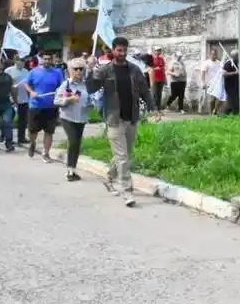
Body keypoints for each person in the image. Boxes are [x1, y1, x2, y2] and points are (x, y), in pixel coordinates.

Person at [86, 36, 157, 207]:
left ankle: (110, 177)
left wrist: (153, 107)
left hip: (131, 117)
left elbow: (144, 90)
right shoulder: (105, 70)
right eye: (119, 50)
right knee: (123, 158)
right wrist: (89, 69)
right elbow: (91, 88)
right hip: (114, 119)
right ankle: (128, 192)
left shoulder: (134, 70)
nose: (122, 53)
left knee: (125, 155)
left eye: (125, 50)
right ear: (113, 50)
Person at [55, 58, 94, 182]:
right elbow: (56, 100)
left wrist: (90, 105)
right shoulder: (66, 84)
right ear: (70, 70)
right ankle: (69, 171)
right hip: (67, 117)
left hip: (81, 117)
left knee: (77, 143)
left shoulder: (86, 85)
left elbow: (90, 100)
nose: (78, 71)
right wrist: (68, 99)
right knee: (72, 141)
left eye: (81, 69)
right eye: (75, 69)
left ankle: (73, 169)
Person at [24, 52, 64, 162]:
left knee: (49, 131)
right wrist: (31, 92)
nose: (47, 61)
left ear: (52, 60)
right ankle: (32, 144)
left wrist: (59, 91)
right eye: (45, 59)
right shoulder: (34, 72)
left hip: (51, 107)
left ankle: (46, 153)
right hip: (35, 106)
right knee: (33, 131)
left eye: (49, 59)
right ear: (41, 60)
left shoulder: (57, 73)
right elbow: (26, 84)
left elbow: (62, 86)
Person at [5, 55, 31, 146]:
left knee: (22, 120)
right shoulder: (8, 70)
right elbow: (5, 84)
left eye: (22, 60)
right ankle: (5, 136)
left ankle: (21, 138)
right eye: (19, 60)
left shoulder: (26, 71)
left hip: (24, 99)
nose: (21, 62)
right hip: (11, 99)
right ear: (15, 61)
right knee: (8, 119)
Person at [202, 48, 225, 115]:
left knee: (219, 99)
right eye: (213, 54)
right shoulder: (206, 63)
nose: (214, 56)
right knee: (211, 100)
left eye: (215, 54)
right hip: (210, 84)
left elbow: (221, 71)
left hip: (218, 83)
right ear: (210, 55)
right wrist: (203, 82)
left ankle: (215, 111)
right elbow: (203, 73)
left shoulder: (219, 63)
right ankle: (211, 113)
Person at [222, 50, 240, 114]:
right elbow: (224, 74)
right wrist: (235, 73)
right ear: (235, 56)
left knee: (235, 102)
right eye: (238, 55)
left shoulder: (237, 63)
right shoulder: (228, 63)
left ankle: (234, 114)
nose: (239, 57)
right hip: (230, 86)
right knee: (231, 102)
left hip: (236, 85)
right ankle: (225, 114)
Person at [151, 47, 167, 111]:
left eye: (159, 50)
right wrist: (155, 68)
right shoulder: (152, 59)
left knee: (159, 94)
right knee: (154, 94)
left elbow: (163, 69)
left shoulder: (161, 59)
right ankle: (154, 109)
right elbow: (149, 68)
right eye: (157, 50)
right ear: (154, 51)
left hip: (161, 79)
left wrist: (165, 79)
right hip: (154, 79)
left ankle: (159, 109)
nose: (158, 52)